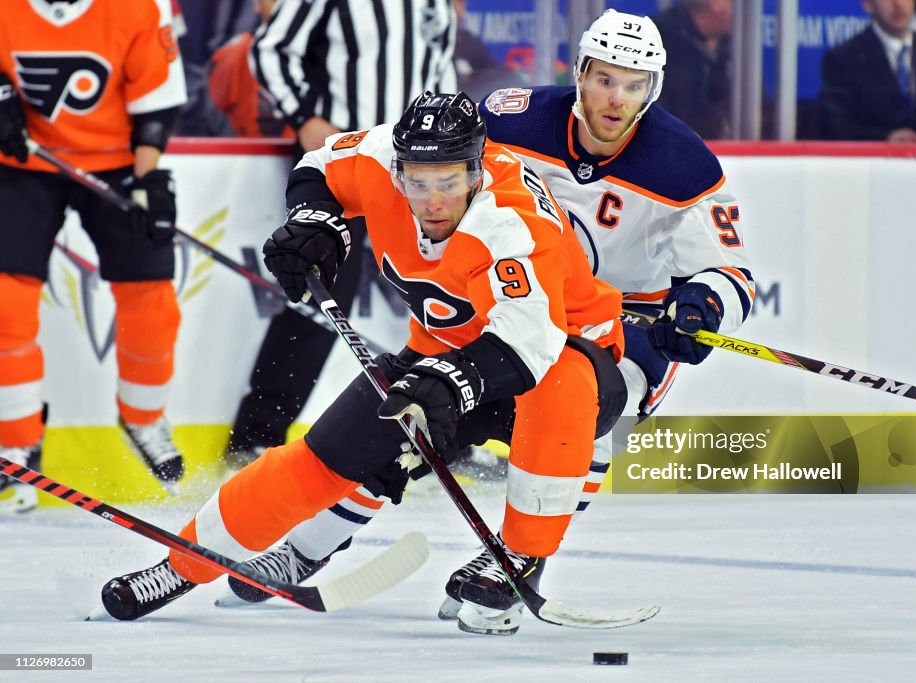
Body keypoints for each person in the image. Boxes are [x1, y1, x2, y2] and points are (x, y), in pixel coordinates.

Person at [214, 9, 756, 635]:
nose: (616, 98)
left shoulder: (684, 162)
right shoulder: (513, 114)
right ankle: (309, 546)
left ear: (653, 90)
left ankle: (516, 561)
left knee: (590, 424)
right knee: (414, 418)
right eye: (605, 79)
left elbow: (731, 271)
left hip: (616, 321)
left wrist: (699, 307)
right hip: (509, 305)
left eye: (634, 85)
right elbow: (426, 163)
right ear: (579, 72)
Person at [99, 91, 627, 637]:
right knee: (329, 455)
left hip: (569, 360)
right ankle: (183, 565)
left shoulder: (511, 223)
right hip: (442, 351)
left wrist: (451, 384)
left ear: (476, 167)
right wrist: (316, 223)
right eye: (416, 182)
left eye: (448, 182)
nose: (432, 201)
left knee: (562, 382)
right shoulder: (380, 157)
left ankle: (517, 559)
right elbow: (320, 165)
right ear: (397, 169)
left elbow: (530, 344)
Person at [222, 0, 457, 471]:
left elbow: (440, 71)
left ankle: (449, 435)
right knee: (322, 290)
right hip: (343, 162)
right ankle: (258, 432)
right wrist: (305, 116)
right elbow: (270, 48)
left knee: (447, 294)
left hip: (421, 168)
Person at [0, 0, 188, 512]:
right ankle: (15, 444)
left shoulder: (138, 8)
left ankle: (143, 415)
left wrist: (148, 181)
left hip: (118, 162)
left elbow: (155, 103)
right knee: (5, 304)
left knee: (152, 301)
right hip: (22, 162)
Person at [819, 0, 916, 142]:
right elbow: (837, 129)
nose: (898, 3)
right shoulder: (843, 59)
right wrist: (886, 140)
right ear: (868, 4)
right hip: (871, 161)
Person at [207, 0, 293, 139]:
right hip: (247, 153)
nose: (281, 8)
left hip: (308, 150)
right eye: (274, 1)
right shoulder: (235, 54)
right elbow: (210, 115)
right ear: (257, 4)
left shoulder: (321, 54)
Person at [651, 0, 734, 140]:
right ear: (717, 3)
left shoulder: (739, 47)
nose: (736, 11)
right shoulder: (656, 39)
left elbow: (760, 111)